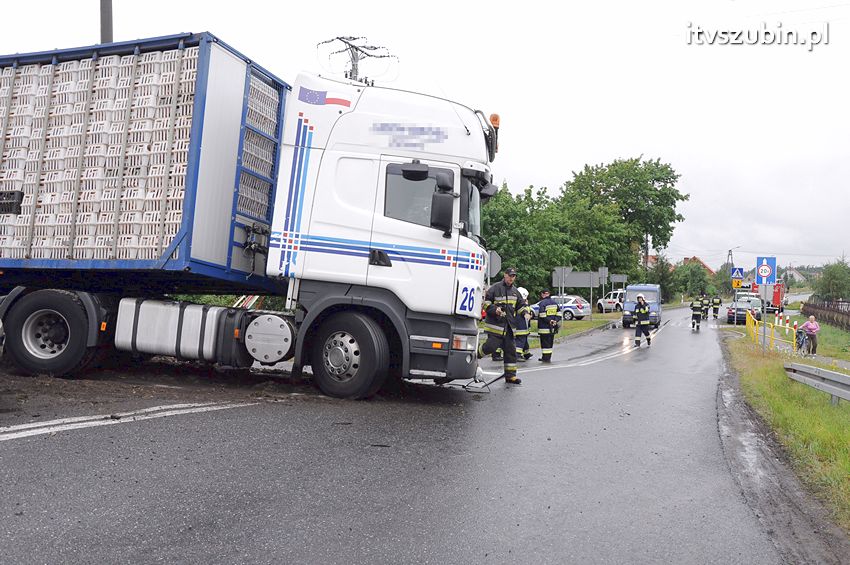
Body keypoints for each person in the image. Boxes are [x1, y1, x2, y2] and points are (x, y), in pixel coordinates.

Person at [480, 268, 522, 384]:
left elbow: (521, 305)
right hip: (495, 326)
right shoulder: (495, 288)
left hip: (509, 328)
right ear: (505, 275)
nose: (511, 278)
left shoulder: (515, 291)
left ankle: (510, 376)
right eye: (510, 276)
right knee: (490, 347)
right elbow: (486, 303)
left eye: (513, 276)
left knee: (510, 351)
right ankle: (476, 355)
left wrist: (526, 313)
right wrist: (495, 310)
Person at [537, 289, 559, 362]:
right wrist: (555, 320)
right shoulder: (555, 303)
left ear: (543, 294)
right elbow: (559, 314)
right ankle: (548, 357)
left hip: (544, 327)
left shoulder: (542, 303)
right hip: (552, 327)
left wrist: (549, 321)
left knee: (544, 344)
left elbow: (542, 315)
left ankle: (545, 358)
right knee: (550, 343)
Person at [514, 287, 533, 362]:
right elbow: (527, 313)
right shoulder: (522, 305)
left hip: (519, 326)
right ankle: (517, 355)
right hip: (521, 327)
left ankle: (526, 353)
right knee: (520, 341)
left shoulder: (515, 304)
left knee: (524, 341)